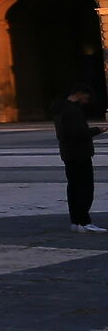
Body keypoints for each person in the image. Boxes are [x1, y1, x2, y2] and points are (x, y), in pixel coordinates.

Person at [54, 90, 106, 233]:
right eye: (86, 97)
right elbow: (78, 133)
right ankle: (84, 222)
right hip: (79, 153)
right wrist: (98, 130)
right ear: (79, 94)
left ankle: (76, 221)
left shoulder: (60, 109)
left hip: (68, 153)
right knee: (85, 188)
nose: (86, 101)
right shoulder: (72, 110)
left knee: (74, 188)